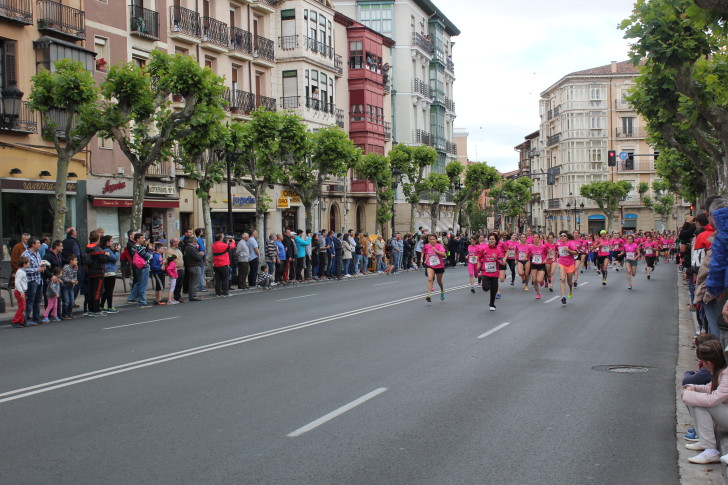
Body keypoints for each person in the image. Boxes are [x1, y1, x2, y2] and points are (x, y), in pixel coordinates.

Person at [681, 339, 728, 464]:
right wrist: (693, 387)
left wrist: (688, 395)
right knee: (697, 401)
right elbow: (710, 387)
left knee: (703, 403)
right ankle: (705, 442)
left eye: (702, 361)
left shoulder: (726, 373)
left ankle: (710, 449)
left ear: (708, 362)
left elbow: (713, 399)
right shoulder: (721, 371)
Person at [476, 233, 505, 311]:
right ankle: (485, 282)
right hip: (486, 272)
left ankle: (492, 304)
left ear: (496, 241)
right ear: (488, 240)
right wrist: (479, 264)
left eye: (493, 239)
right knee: (485, 288)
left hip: (495, 273)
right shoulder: (484, 249)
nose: (491, 240)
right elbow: (479, 257)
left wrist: (496, 259)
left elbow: (502, 263)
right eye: (490, 239)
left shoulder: (498, 250)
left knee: (494, 290)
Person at [85, 231, 110, 317]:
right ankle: (96, 309)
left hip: (90, 271)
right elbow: (103, 259)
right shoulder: (97, 249)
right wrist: (106, 254)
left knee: (91, 290)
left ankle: (91, 308)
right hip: (98, 272)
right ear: (98, 238)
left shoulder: (87, 247)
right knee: (98, 291)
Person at [22, 237, 44, 324]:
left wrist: (42, 267)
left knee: (38, 300)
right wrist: (36, 270)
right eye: (38, 243)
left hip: (39, 279)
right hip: (31, 280)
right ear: (33, 244)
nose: (40, 245)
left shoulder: (37, 254)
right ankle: (27, 318)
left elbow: (39, 264)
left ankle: (36, 317)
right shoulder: (26, 255)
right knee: (30, 300)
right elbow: (23, 268)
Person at [127, 233, 152, 308]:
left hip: (137, 266)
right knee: (143, 284)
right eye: (142, 238)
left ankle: (131, 298)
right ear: (137, 239)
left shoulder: (133, 247)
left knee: (138, 282)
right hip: (143, 266)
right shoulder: (139, 248)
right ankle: (142, 301)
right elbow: (148, 256)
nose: (143, 239)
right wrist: (150, 251)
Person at [422, 233, 447, 302]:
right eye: (430, 239)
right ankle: (429, 295)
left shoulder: (439, 246)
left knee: (439, 281)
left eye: (433, 239)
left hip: (439, 266)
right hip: (430, 265)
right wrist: (423, 259)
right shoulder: (426, 246)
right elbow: (424, 252)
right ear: (428, 240)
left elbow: (444, 255)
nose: (432, 240)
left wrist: (436, 250)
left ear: (436, 240)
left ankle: (442, 290)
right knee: (430, 279)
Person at [556, 231, 578, 305]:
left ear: (567, 237)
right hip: (562, 263)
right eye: (561, 236)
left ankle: (571, 289)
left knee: (569, 281)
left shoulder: (570, 243)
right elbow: (555, 249)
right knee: (562, 279)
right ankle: (563, 296)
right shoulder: (558, 243)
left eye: (564, 236)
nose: (562, 237)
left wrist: (568, 250)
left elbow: (576, 252)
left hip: (570, 264)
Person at [100, 235, 120, 313]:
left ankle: (101, 305)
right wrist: (117, 251)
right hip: (110, 271)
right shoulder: (107, 250)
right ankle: (110, 306)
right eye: (111, 241)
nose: (112, 242)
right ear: (107, 242)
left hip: (106, 271)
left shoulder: (105, 249)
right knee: (110, 290)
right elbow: (114, 258)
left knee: (106, 290)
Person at [12, 256, 30, 327]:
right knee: (21, 307)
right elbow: (17, 282)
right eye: (28, 263)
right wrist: (21, 291)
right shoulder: (21, 272)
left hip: (21, 291)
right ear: (24, 264)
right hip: (20, 291)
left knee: (23, 307)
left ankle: (21, 321)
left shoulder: (22, 271)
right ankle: (15, 321)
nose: (29, 264)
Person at [528, 233, 548, 300]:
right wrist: (525, 258)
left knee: (539, 280)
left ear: (539, 239)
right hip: (534, 264)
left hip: (541, 264)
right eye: (534, 238)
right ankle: (538, 293)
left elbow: (547, 254)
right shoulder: (531, 247)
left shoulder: (543, 246)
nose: (535, 239)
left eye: (537, 237)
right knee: (534, 280)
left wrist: (546, 259)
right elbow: (528, 253)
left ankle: (542, 280)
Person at [184, 237, 203, 301]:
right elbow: (197, 257)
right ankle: (193, 296)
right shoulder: (191, 248)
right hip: (194, 266)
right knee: (195, 282)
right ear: (193, 242)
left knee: (192, 282)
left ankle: (191, 295)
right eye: (196, 242)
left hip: (190, 265)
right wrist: (200, 254)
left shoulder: (187, 248)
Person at [60, 255, 78, 320]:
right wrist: (71, 281)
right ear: (71, 261)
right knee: (66, 300)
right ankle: (64, 314)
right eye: (75, 260)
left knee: (72, 300)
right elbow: (63, 277)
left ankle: (69, 313)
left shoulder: (74, 268)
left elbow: (75, 275)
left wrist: (75, 281)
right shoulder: (66, 267)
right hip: (65, 286)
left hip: (71, 286)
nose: (77, 261)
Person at [167, 238, 185, 303]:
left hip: (181, 268)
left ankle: (178, 296)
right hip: (175, 269)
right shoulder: (169, 251)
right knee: (175, 284)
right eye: (177, 241)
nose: (178, 242)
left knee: (180, 283)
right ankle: (174, 297)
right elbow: (169, 258)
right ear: (173, 243)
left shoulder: (178, 249)